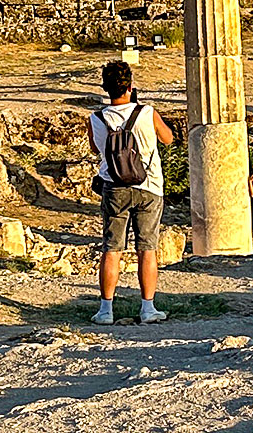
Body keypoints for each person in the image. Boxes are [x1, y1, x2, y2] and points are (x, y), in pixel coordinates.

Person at [87, 60, 174, 325]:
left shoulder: (96, 118)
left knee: (112, 248)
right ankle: (148, 307)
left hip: (114, 187)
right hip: (148, 186)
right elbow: (168, 138)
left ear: (105, 87)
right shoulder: (147, 112)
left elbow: (95, 149)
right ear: (130, 86)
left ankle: (105, 310)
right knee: (147, 248)